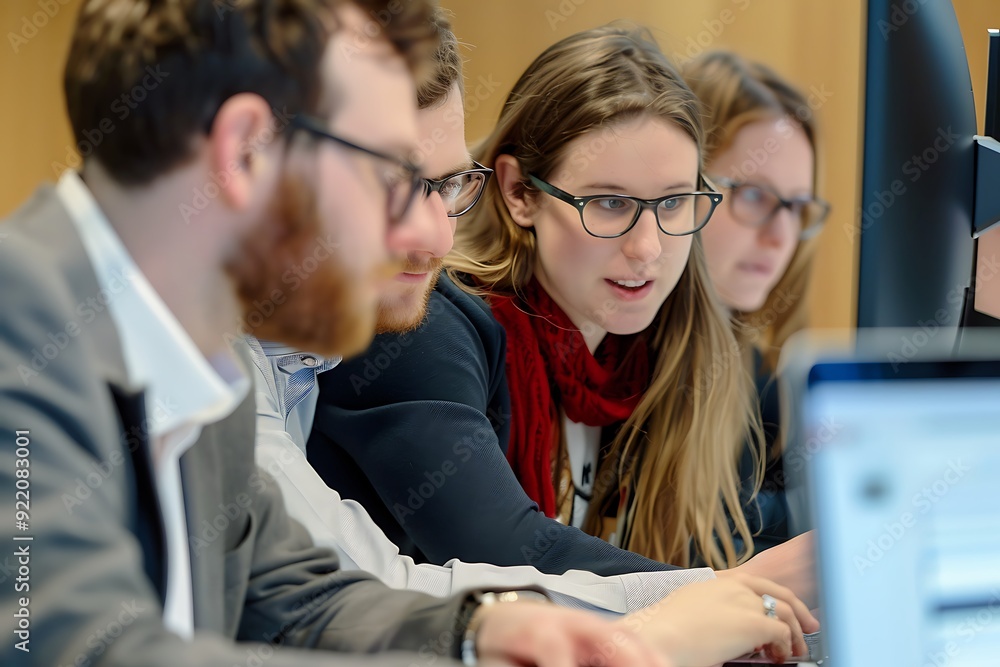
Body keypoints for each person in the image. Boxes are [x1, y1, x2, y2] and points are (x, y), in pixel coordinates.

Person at [0, 2, 681, 666]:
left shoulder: (203, 358)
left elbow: (297, 600)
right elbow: (68, 646)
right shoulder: (20, 317)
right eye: (389, 175)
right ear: (244, 153)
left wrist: (479, 633)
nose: (432, 234)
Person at [245, 14, 816, 664]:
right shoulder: (425, 325)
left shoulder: (682, 347)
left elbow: (339, 595)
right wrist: (721, 599)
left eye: (675, 203)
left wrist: (728, 602)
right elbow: (474, 555)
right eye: (608, 204)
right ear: (519, 193)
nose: (649, 247)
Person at [681, 51, 831, 550]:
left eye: (795, 206)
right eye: (753, 195)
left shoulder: (755, 376)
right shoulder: (614, 365)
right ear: (679, 187)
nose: (781, 238)